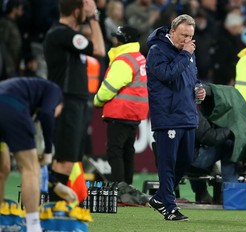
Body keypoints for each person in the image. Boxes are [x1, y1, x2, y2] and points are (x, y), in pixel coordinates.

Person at [43, 0, 105, 201]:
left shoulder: (68, 36)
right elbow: (99, 49)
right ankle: (53, 211)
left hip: (76, 101)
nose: (87, 14)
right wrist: (94, 17)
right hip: (66, 100)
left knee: (69, 160)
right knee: (64, 160)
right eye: (85, 10)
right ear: (77, 11)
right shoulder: (61, 34)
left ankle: (55, 209)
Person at [146, 14, 205, 221]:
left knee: (186, 160)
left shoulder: (188, 53)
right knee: (168, 164)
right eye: (183, 35)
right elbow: (167, 74)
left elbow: (192, 77)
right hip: (168, 116)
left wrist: (199, 89)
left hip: (187, 115)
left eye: (190, 36)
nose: (187, 40)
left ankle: (160, 197)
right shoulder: (157, 51)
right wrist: (185, 55)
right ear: (172, 32)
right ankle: (170, 208)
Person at [0, 77, 63, 232]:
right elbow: (48, 114)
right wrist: (48, 150)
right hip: (11, 107)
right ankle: (33, 227)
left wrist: (55, 184)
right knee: (30, 168)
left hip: (5, 104)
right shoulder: (55, 90)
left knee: (2, 169)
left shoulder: (27, 90)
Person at [94, 26, 149, 188]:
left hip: (121, 111)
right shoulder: (139, 57)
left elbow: (110, 87)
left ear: (123, 40)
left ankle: (119, 187)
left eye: (117, 37)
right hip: (134, 112)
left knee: (115, 151)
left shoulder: (124, 60)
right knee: (127, 151)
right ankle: (128, 186)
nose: (114, 40)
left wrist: (97, 100)